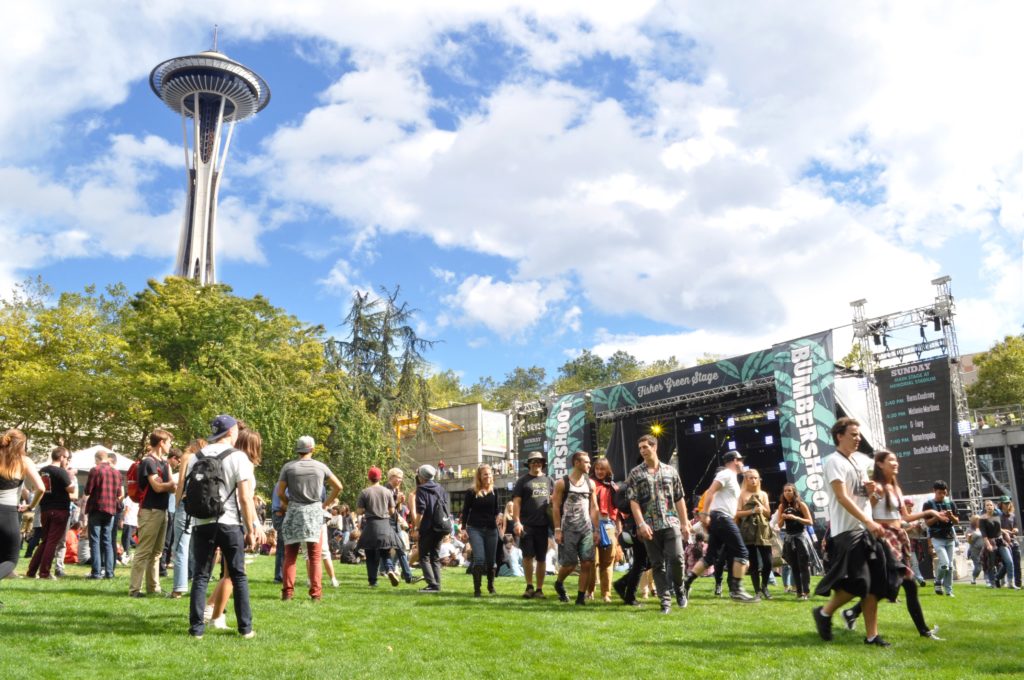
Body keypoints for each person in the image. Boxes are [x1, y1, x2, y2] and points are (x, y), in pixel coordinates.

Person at [840, 450, 944, 640]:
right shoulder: (876, 487)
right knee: (905, 584)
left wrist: (931, 514)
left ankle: (852, 613)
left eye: (896, 460)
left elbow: (904, 517)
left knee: (891, 585)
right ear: (880, 464)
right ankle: (924, 631)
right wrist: (875, 495)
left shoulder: (895, 487)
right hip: (884, 538)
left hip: (899, 537)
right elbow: (864, 511)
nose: (896, 463)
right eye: (891, 460)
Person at [810, 417, 890, 647]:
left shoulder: (856, 463)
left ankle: (872, 636)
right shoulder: (833, 462)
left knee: (875, 584)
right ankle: (824, 613)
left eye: (858, 434)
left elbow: (867, 501)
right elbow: (842, 497)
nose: (858, 439)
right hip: (847, 531)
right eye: (853, 434)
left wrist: (874, 495)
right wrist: (869, 521)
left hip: (866, 529)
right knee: (860, 583)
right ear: (839, 436)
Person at [186, 415, 264, 639]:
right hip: (229, 522)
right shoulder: (238, 457)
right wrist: (250, 528)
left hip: (201, 522)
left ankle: (196, 630)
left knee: (201, 576)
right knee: (238, 575)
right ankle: (245, 629)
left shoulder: (196, 456)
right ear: (231, 432)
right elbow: (245, 497)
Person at [682, 451, 755, 605]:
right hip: (722, 518)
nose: (742, 464)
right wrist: (705, 513)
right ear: (735, 460)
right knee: (742, 552)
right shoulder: (726, 474)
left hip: (720, 518)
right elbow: (710, 492)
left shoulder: (732, 477)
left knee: (710, 557)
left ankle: (686, 583)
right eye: (741, 460)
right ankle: (737, 590)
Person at [277, 436, 342, 600]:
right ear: (312, 449)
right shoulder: (321, 467)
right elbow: (338, 487)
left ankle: (287, 593)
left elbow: (279, 493)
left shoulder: (288, 467)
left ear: (298, 449)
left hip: (294, 512)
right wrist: (325, 503)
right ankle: (315, 594)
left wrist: (288, 503)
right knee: (315, 556)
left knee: (290, 555)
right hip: (314, 512)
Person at [550, 451, 601, 606]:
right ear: (577, 463)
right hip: (568, 529)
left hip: (585, 529)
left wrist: (596, 529)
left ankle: (580, 598)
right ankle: (559, 583)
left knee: (587, 563)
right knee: (570, 564)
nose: (589, 465)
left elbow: (594, 507)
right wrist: (558, 530)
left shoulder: (590, 483)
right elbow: (555, 507)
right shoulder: (562, 483)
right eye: (586, 462)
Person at [129, 430, 176, 597]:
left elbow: (172, 486)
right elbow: (158, 487)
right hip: (150, 511)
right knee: (144, 550)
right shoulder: (148, 462)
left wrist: (169, 484)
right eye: (169, 442)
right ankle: (135, 589)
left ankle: (153, 587)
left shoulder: (165, 463)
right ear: (161, 442)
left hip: (162, 511)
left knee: (157, 552)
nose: (171, 446)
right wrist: (169, 484)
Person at [1, 430, 45, 602]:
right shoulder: (24, 461)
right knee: (10, 560)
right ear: (21, 445)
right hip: (7, 514)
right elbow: (40, 488)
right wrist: (30, 506)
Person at [26, 447, 77, 580]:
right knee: (52, 542)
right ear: (61, 457)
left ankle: (31, 571)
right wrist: (73, 480)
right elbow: (71, 489)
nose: (67, 460)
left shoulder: (43, 470)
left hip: (45, 509)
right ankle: (45, 572)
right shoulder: (61, 472)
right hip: (59, 509)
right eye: (66, 458)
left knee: (45, 541)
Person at [511, 452, 553, 599]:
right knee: (527, 556)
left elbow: (554, 501)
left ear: (543, 463)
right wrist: (517, 522)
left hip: (543, 525)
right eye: (534, 461)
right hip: (526, 525)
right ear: (529, 463)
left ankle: (539, 589)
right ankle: (529, 586)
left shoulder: (549, 480)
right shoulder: (522, 481)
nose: (537, 464)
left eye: (539, 461)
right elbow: (516, 502)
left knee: (542, 558)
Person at [169, 439, 206, 599]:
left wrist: (176, 503)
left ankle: (178, 587)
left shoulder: (187, 456)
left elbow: (181, 481)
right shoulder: (206, 458)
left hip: (186, 504)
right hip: (202, 507)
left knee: (180, 547)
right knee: (197, 548)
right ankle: (198, 582)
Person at [355, 466, 399, 589]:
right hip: (385, 525)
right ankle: (390, 569)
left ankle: (373, 581)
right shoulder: (387, 492)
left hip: (371, 525)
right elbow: (391, 511)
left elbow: (359, 511)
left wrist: (366, 508)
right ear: (380, 478)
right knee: (385, 552)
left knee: (370, 554)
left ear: (369, 478)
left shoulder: (365, 492)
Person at [461, 464, 501, 597]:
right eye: (485, 474)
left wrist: (499, 517)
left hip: (491, 529)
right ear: (479, 476)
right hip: (475, 528)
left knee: (491, 561)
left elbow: (496, 510)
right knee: (479, 559)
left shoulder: (495, 490)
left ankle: (491, 586)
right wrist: (463, 529)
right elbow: (465, 511)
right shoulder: (471, 492)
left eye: (490, 474)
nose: (488, 477)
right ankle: (477, 590)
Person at [84, 449, 123, 580]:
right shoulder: (116, 472)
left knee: (95, 540)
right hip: (111, 509)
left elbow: (88, 490)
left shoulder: (95, 470)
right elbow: (119, 494)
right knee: (107, 541)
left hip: (96, 507)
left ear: (97, 458)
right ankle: (109, 572)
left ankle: (96, 572)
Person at [737, 467, 773, 599]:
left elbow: (769, 513)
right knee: (753, 563)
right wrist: (752, 511)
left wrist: (761, 508)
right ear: (746, 479)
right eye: (751, 478)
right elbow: (737, 513)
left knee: (768, 561)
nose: (753, 480)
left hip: (763, 529)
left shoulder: (763, 494)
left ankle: (764, 586)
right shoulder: (741, 494)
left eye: (756, 477)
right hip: (747, 530)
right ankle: (757, 590)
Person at [589, 456, 620, 603]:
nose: (600, 471)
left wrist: (618, 528)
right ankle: (590, 591)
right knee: (590, 561)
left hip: (609, 525)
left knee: (607, 562)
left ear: (607, 470)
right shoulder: (588, 484)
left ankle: (606, 594)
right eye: (597, 468)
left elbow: (619, 510)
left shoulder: (614, 487)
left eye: (602, 469)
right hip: (590, 525)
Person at [413, 464, 448, 593]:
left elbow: (421, 511)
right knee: (435, 557)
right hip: (440, 526)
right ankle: (436, 585)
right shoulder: (440, 488)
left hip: (428, 527)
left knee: (423, 556)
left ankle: (432, 585)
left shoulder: (422, 489)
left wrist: (416, 529)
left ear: (421, 477)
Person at [775, 483, 813, 600]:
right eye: (785, 491)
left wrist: (796, 518)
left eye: (789, 491)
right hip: (788, 538)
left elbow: (810, 521)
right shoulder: (782, 506)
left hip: (800, 537)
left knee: (803, 565)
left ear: (794, 492)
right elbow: (779, 525)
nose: (787, 493)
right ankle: (798, 592)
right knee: (794, 566)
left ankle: (806, 591)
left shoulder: (800, 505)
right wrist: (783, 517)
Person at [922, 480, 958, 596]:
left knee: (950, 566)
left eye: (944, 493)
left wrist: (951, 516)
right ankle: (938, 581)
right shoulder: (928, 504)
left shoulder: (950, 504)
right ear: (934, 491)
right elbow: (927, 523)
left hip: (949, 537)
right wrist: (938, 516)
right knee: (945, 564)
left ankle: (949, 590)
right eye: (939, 493)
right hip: (937, 538)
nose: (942, 495)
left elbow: (957, 521)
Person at [384, 468, 414, 585]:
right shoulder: (387, 489)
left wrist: (400, 502)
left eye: (401, 478)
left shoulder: (395, 490)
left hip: (395, 522)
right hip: (388, 522)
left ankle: (404, 574)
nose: (400, 480)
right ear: (391, 477)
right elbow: (387, 508)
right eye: (398, 477)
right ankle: (398, 572)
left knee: (399, 548)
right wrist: (396, 501)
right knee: (395, 548)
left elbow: (397, 509)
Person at [980, 500, 1015, 588]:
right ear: (985, 507)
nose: (989, 507)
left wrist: (1005, 532)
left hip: (1000, 541)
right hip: (990, 542)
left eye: (991, 505)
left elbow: (998, 528)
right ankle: (992, 582)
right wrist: (988, 545)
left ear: (993, 506)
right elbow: (984, 534)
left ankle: (1010, 582)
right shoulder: (983, 519)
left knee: (1009, 561)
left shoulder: (997, 515)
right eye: (987, 505)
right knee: (991, 564)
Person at [997, 496, 1021, 588]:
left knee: (1017, 562)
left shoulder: (1012, 515)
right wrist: (1005, 531)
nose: (1007, 505)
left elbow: (1015, 526)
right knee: (1008, 563)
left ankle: (1018, 583)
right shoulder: (997, 515)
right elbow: (996, 528)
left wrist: (1015, 530)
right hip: (1002, 541)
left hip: (1013, 540)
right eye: (1005, 503)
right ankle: (997, 577)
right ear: (1001, 504)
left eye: (1008, 503)